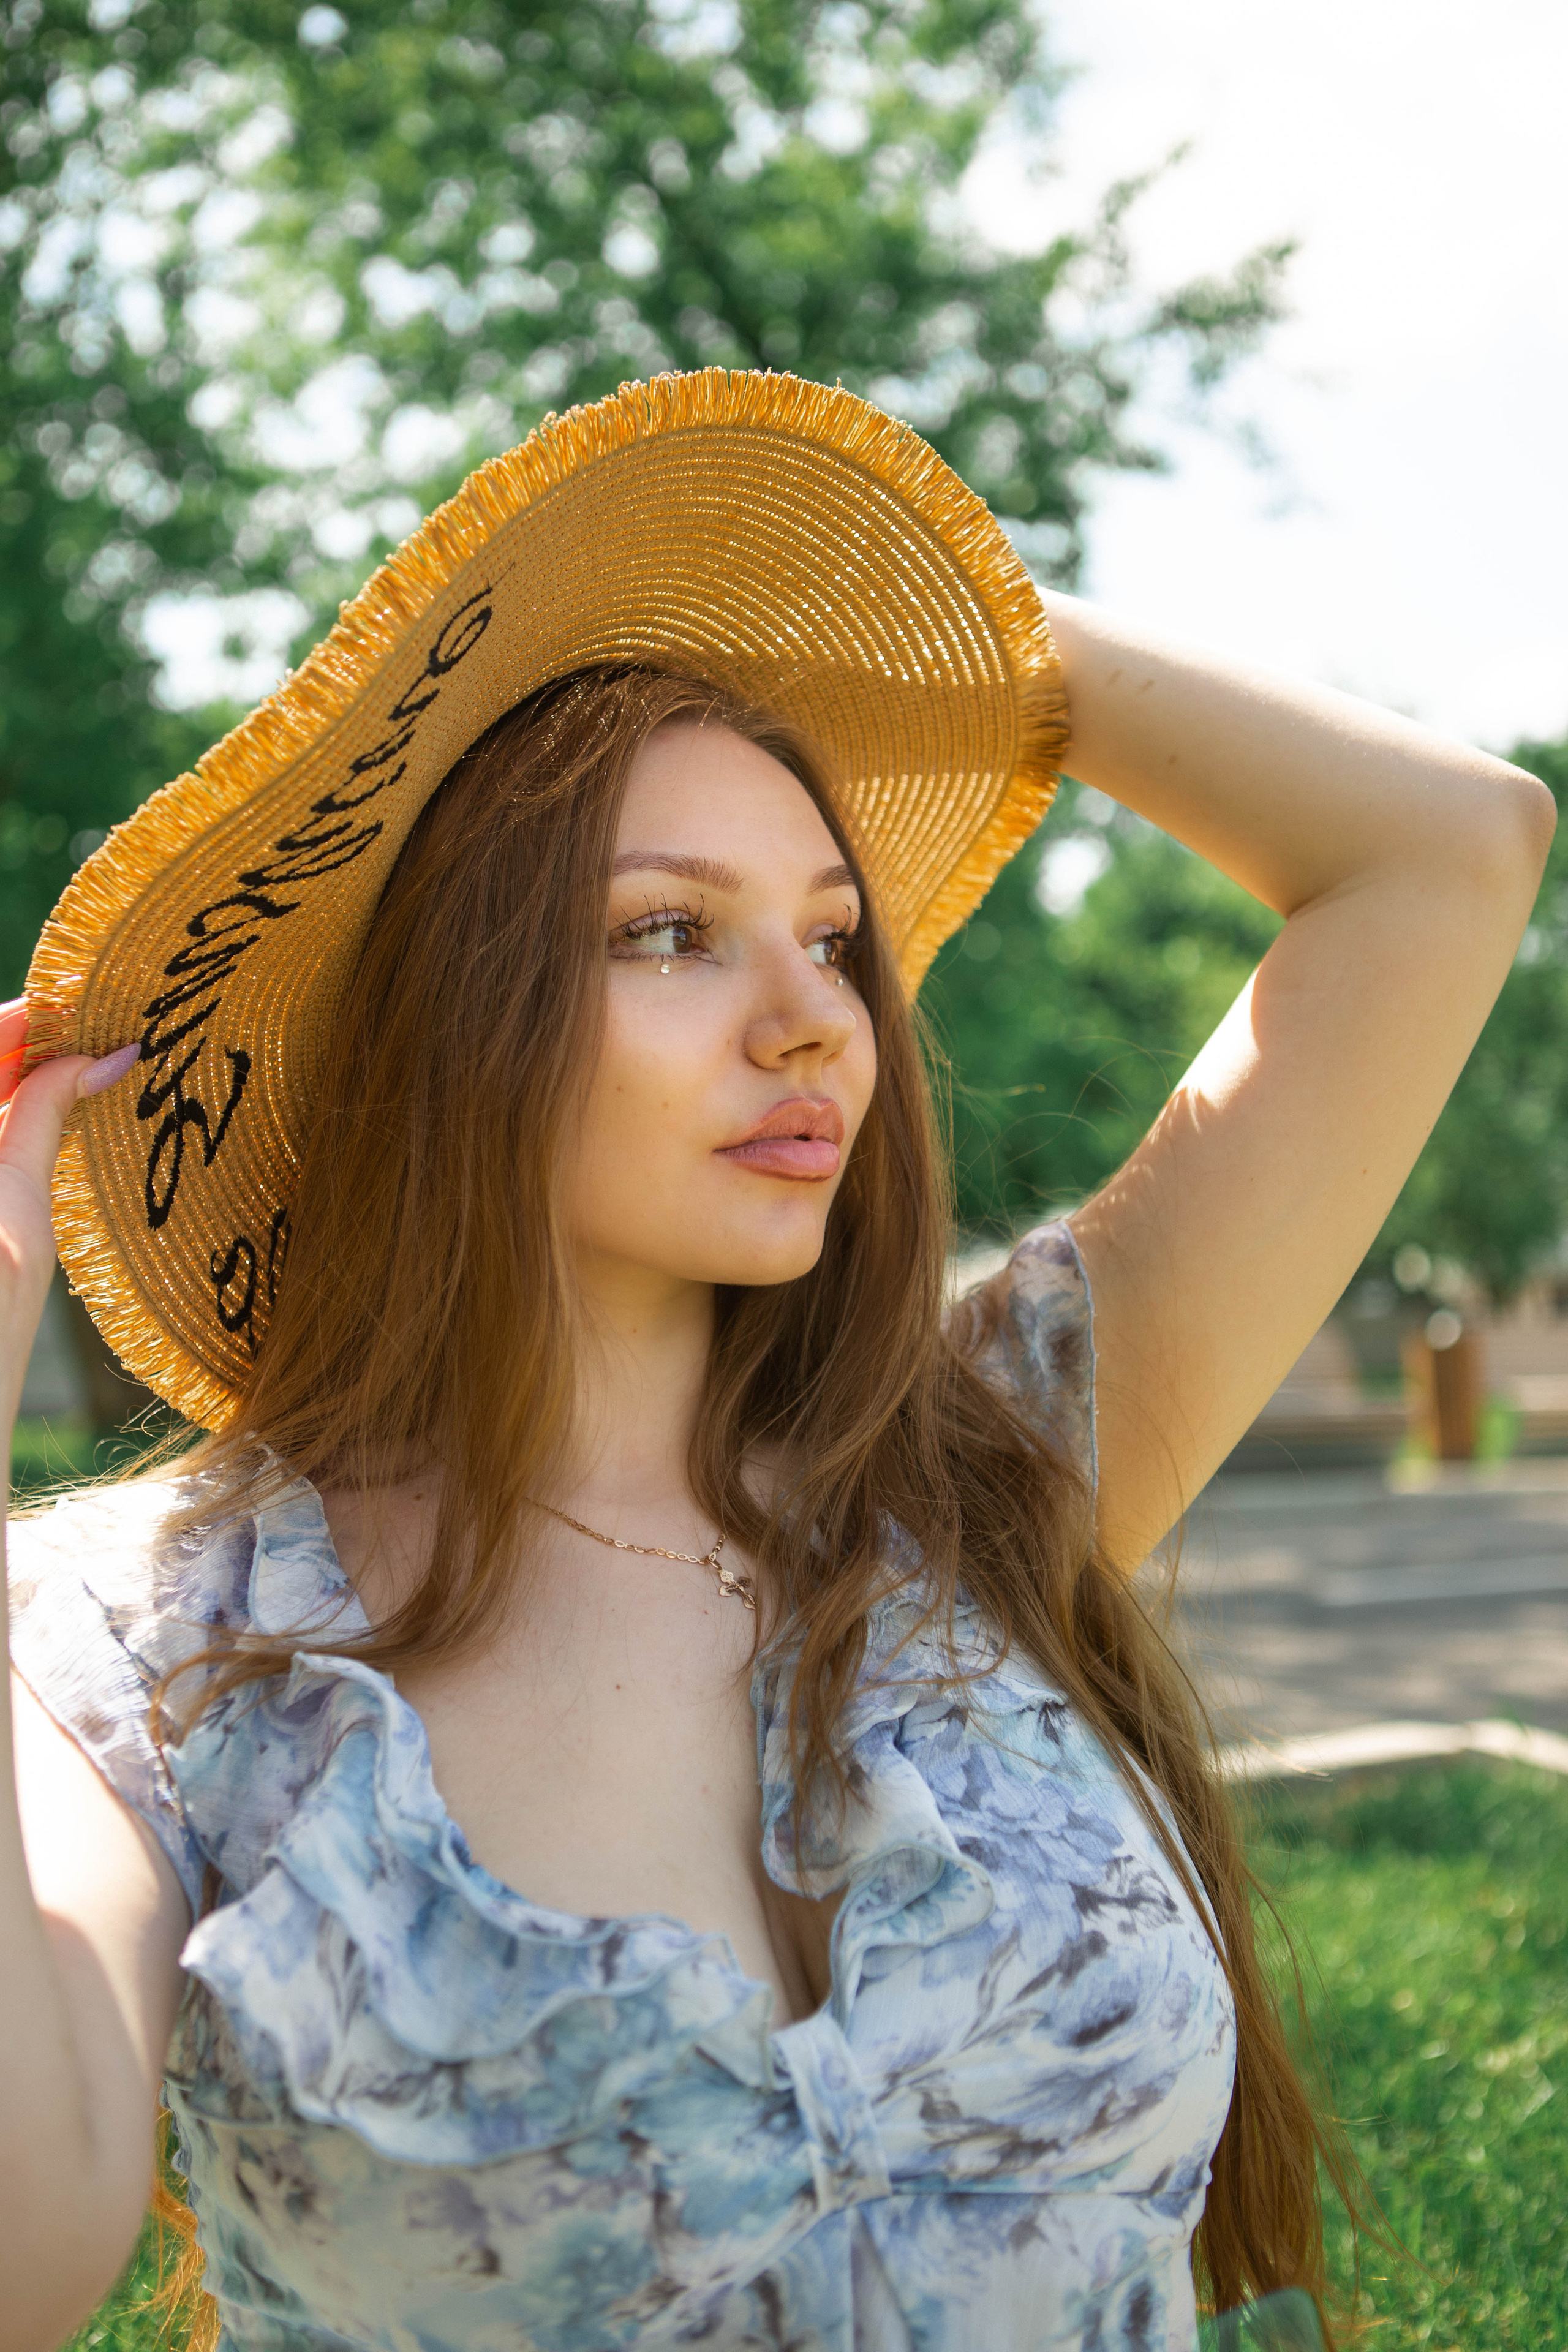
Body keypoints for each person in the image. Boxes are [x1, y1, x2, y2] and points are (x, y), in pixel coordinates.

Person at [0, 369, 1551, 2352]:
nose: (815, 1022)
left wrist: (892, 605)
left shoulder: (992, 1461)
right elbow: (31, 2248)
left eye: (837, 941)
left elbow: (1452, 849)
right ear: (448, 1013)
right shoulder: (143, 1641)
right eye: (670, 934)